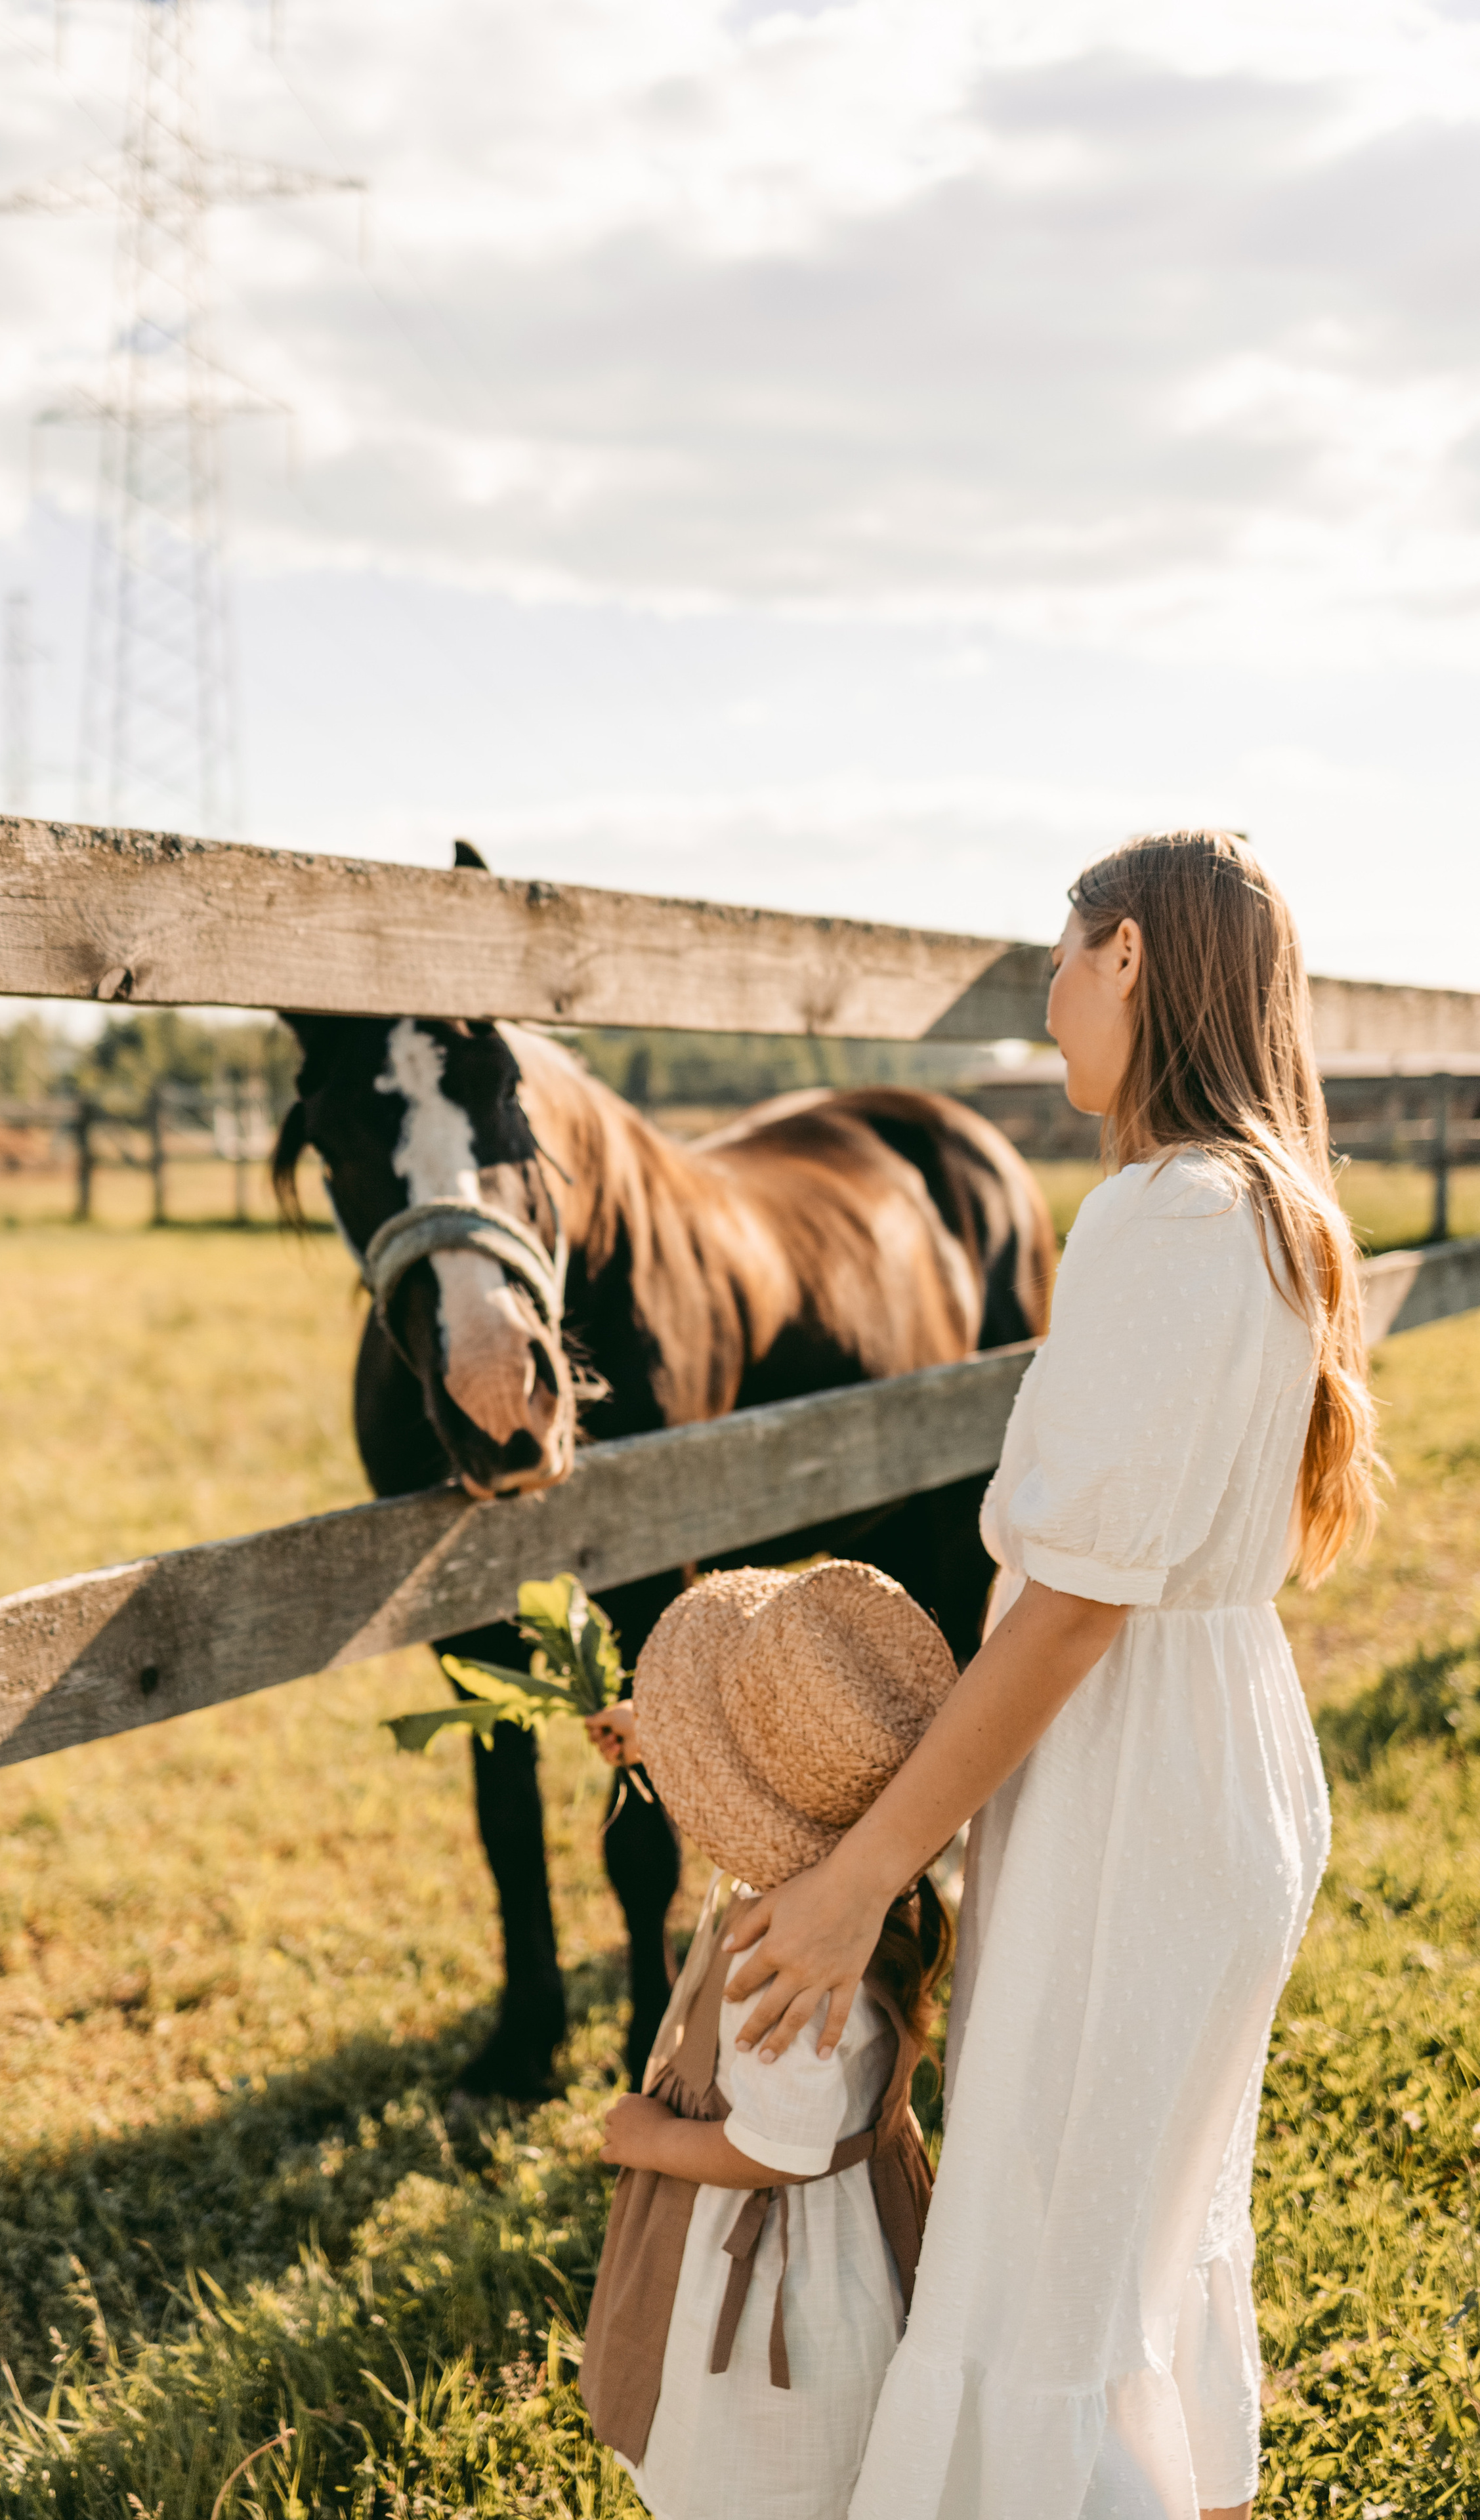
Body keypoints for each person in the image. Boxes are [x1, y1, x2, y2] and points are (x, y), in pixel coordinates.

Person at [719, 832, 1377, 2520]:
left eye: (1061, 958)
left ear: (1134, 958)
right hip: (1216, 1758)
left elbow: (1071, 1613)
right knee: (1138, 2258)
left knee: (1040, 2287)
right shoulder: (1272, 1209)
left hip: (1130, 1792)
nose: (1047, 999)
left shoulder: (1162, 1216)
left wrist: (866, 1878)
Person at [580, 1558, 958, 2520]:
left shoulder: (782, 1974)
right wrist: (652, 1741)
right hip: (855, 2246)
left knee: (766, 2480)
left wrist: (649, 2141)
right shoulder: (856, 1903)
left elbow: (776, 2147)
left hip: (778, 2308)